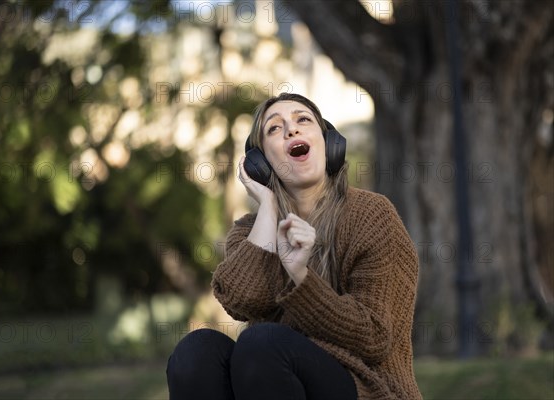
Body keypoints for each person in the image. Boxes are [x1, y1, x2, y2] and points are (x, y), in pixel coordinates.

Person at [166, 93, 422, 400]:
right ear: (260, 163)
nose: (291, 130)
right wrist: (268, 206)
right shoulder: (251, 230)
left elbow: (374, 338)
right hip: (272, 376)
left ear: (329, 143)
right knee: (195, 352)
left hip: (367, 386)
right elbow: (242, 300)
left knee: (262, 344)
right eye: (274, 128)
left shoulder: (370, 215)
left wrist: (301, 276)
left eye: (303, 120)